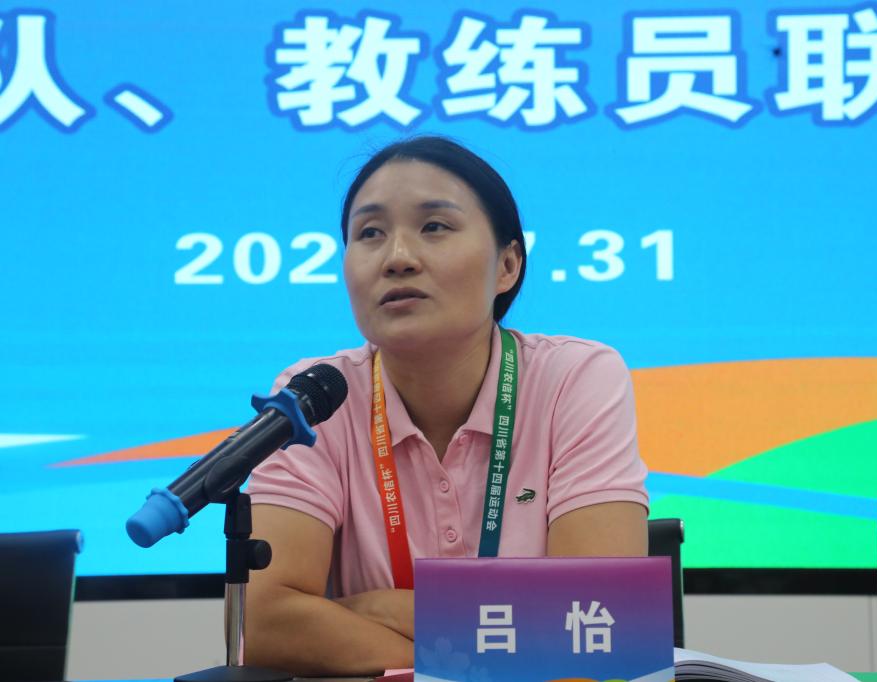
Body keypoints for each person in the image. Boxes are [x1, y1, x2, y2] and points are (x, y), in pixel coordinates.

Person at [244, 136, 649, 676]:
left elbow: (601, 624)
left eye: (434, 226)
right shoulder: (315, 397)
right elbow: (266, 623)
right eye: (370, 233)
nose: (398, 258)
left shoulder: (575, 379)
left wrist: (386, 611)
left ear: (508, 265)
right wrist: (487, 659)